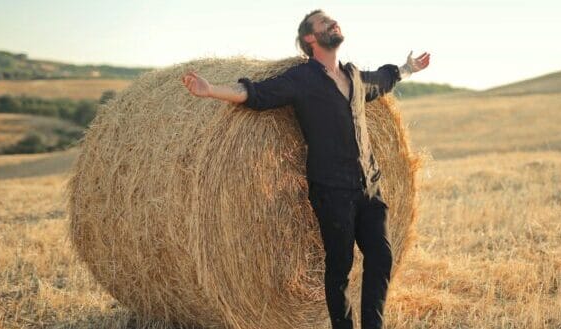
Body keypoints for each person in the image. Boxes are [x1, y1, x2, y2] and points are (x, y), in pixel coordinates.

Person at [182, 9, 430, 329]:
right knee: (340, 267)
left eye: (333, 20)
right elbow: (257, 94)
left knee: (381, 257)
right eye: (324, 23)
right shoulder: (302, 79)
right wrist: (210, 90)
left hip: (370, 184)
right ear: (310, 38)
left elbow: (383, 80)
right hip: (332, 189)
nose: (333, 23)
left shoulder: (353, 74)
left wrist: (408, 68)